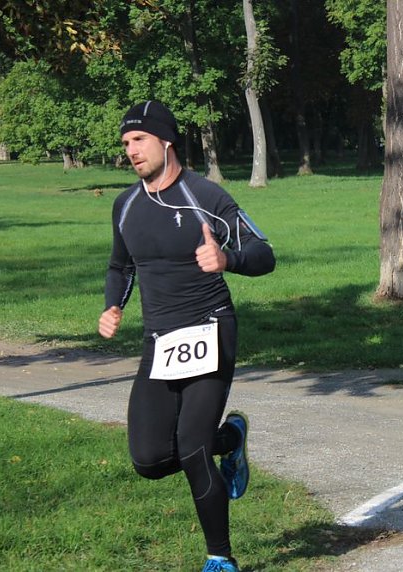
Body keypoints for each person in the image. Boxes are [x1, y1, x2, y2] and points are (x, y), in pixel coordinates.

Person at [98, 101, 276, 572]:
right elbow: (121, 265)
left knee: (192, 446)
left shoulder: (205, 197)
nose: (131, 151)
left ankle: (220, 558)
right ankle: (231, 439)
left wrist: (228, 260)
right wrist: (113, 304)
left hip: (210, 328)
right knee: (150, 458)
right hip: (160, 341)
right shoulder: (126, 205)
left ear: (165, 140)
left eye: (138, 140)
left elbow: (264, 252)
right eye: (126, 144)